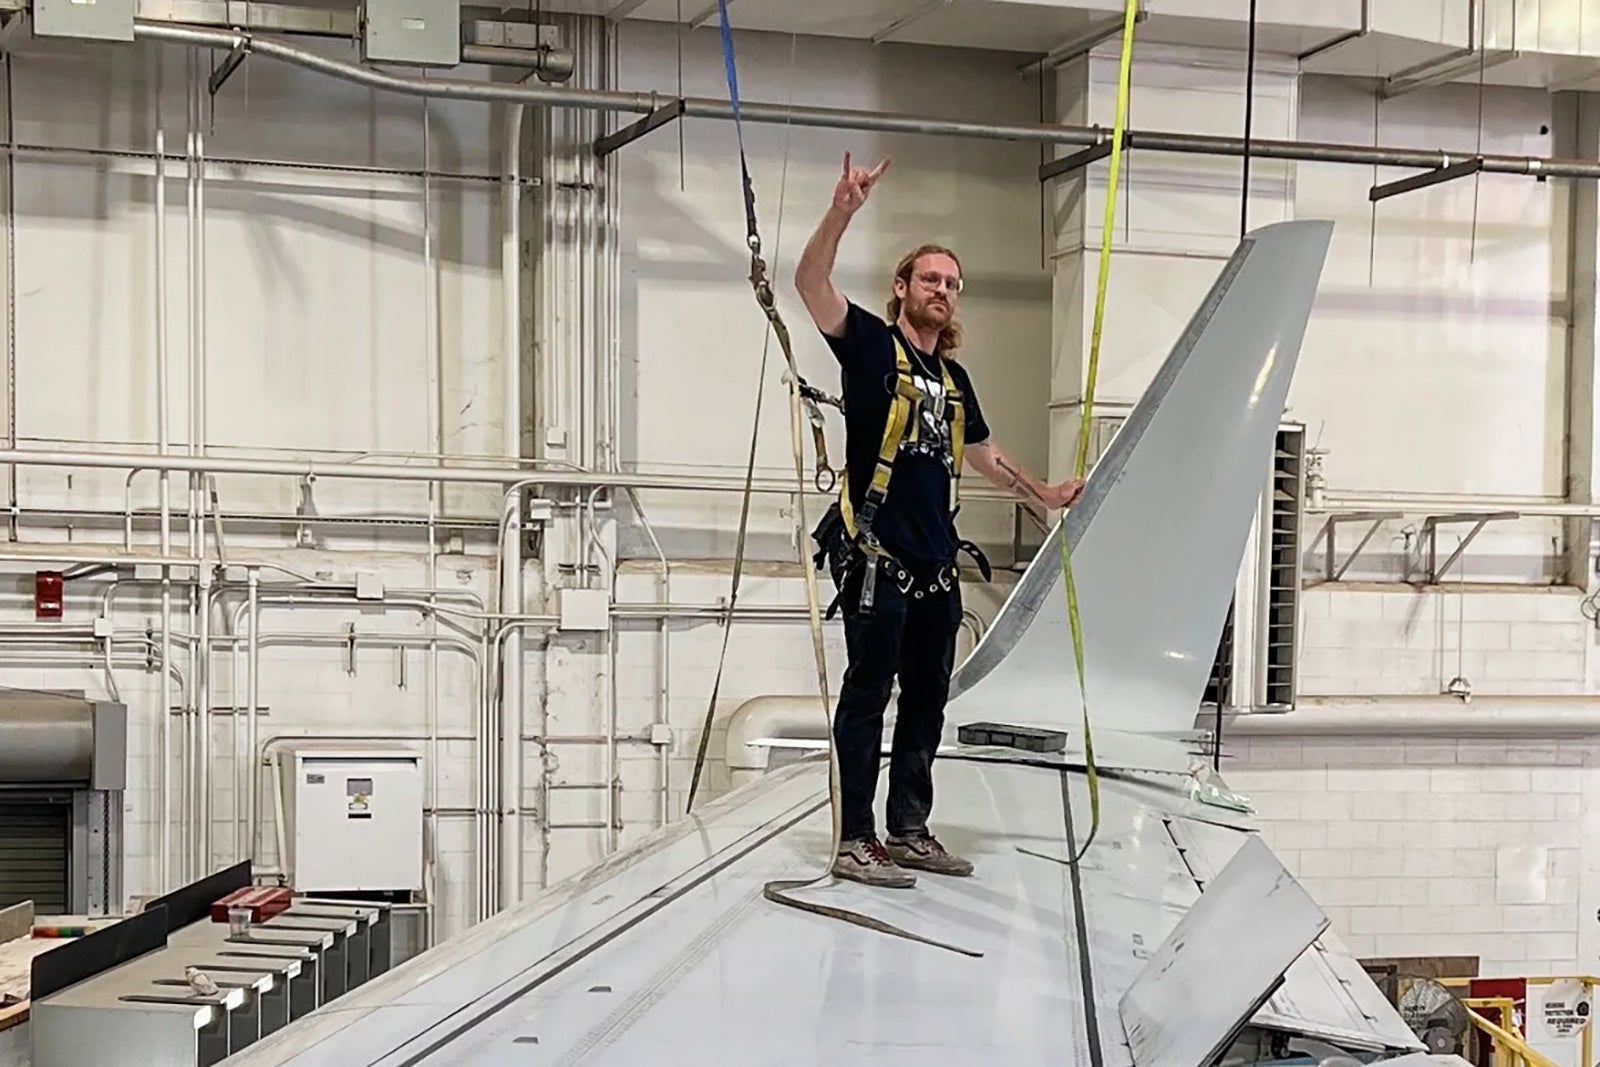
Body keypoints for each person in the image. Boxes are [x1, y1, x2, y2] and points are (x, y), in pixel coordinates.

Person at [793, 152, 1086, 889]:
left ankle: (909, 829)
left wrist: (1045, 494)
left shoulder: (954, 381)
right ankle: (854, 838)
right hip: (877, 559)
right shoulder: (869, 347)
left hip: (933, 567)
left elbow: (985, 455)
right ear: (902, 288)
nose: (943, 292)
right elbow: (810, 283)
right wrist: (842, 212)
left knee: (927, 700)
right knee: (868, 696)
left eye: (952, 284)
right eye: (930, 279)